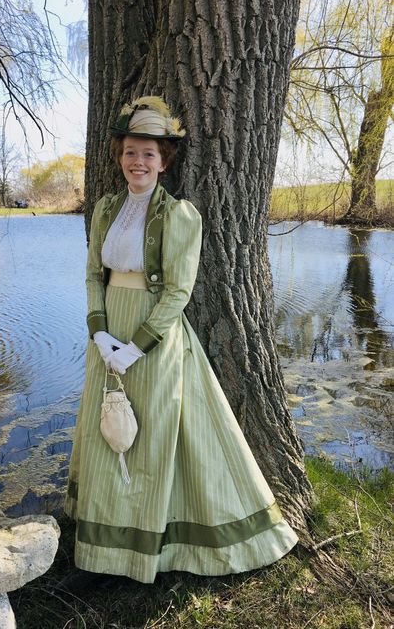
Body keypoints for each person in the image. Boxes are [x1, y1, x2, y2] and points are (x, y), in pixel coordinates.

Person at [64, 96, 298, 584]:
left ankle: (147, 550)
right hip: (108, 335)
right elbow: (92, 275)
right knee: (107, 434)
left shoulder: (179, 216)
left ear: (164, 160)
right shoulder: (106, 209)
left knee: (148, 439)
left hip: (154, 338)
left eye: (149, 153)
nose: (138, 162)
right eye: (130, 152)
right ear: (119, 157)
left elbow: (179, 291)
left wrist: (135, 346)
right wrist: (100, 332)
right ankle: (102, 552)